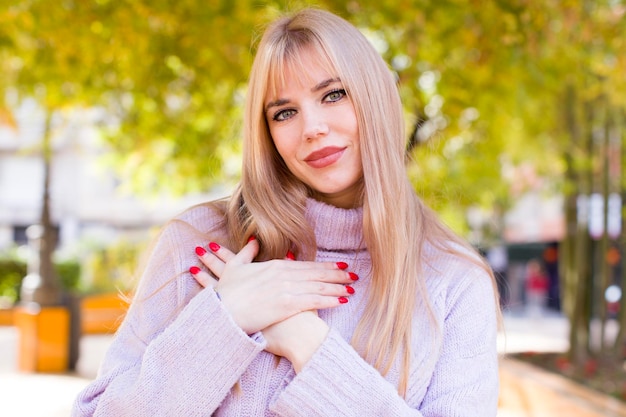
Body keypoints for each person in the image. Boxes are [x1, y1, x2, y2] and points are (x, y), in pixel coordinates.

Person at [73, 7, 501, 416]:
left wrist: (306, 343)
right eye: (285, 112)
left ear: (376, 98)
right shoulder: (200, 244)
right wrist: (226, 318)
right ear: (268, 133)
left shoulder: (452, 281)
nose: (312, 128)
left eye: (333, 95)